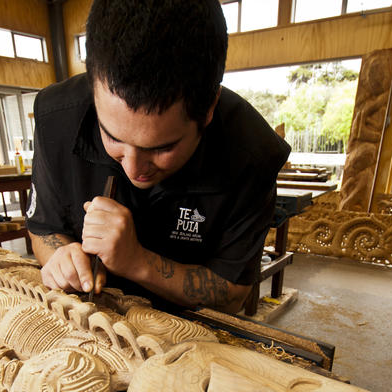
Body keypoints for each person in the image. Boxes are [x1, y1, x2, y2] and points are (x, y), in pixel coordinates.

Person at [26, 0, 290, 315]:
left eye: (161, 148)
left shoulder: (252, 153)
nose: (133, 167)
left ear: (207, 109)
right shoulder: (56, 117)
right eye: (113, 137)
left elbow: (233, 293)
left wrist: (137, 262)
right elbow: (43, 227)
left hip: (188, 328)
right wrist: (61, 258)